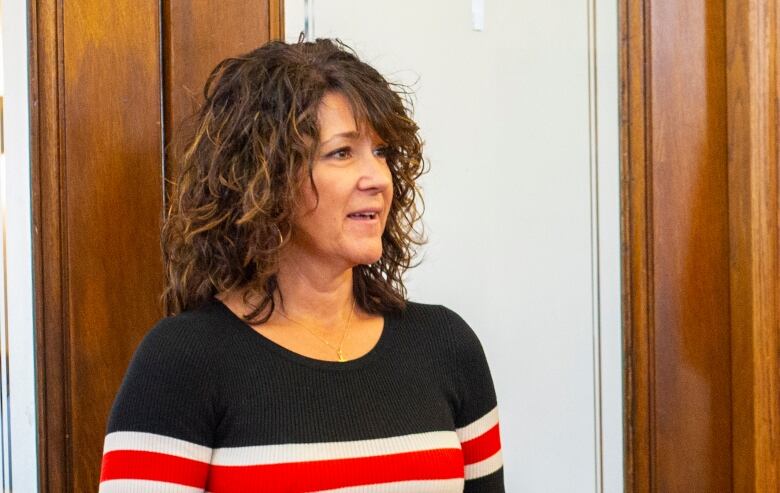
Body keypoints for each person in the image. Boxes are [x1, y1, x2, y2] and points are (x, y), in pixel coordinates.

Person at [98, 38, 504, 493]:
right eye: (342, 153)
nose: (376, 178)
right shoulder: (181, 362)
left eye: (382, 152)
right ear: (265, 178)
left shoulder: (446, 346)